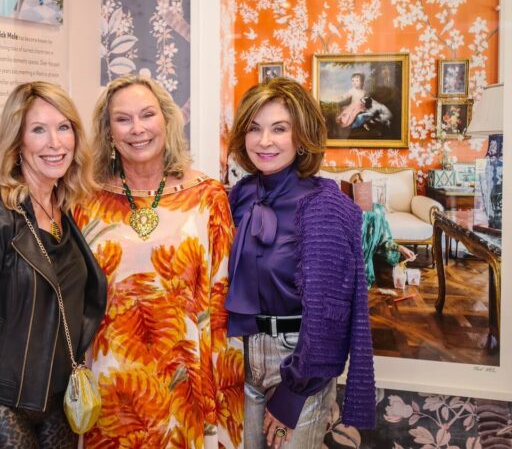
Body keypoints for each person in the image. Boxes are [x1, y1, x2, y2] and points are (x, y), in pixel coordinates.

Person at [74, 75, 244, 448]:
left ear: (166, 120)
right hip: (111, 388)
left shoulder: (207, 197)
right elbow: (55, 280)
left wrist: (225, 407)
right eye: (123, 119)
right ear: (108, 131)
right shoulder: (84, 201)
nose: (138, 129)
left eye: (147, 115)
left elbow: (222, 302)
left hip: (187, 389)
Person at [0, 81, 107, 449]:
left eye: (63, 127)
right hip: (4, 405)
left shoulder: (62, 211)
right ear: (18, 142)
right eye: (39, 130)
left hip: (58, 402)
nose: (55, 143)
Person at [226, 77, 376, 449]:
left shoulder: (327, 206)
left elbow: (331, 315)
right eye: (254, 129)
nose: (264, 141)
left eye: (279, 129)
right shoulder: (238, 196)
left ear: (302, 134)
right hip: (238, 356)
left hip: (298, 359)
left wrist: (295, 392)